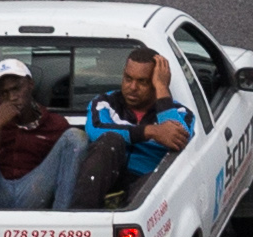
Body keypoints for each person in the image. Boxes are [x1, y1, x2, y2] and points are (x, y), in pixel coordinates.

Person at [73, 46, 199, 209]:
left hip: (146, 186)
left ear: (155, 82)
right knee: (110, 140)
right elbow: (95, 131)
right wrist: (150, 132)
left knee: (153, 183)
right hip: (103, 179)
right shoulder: (106, 102)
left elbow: (178, 138)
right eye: (128, 78)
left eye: (142, 82)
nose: (132, 87)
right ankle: (80, 219)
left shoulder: (181, 113)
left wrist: (162, 89)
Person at [0, 57, 81, 211]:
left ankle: (62, 217)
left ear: (30, 84)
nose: (12, 97)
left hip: (35, 190)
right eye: (4, 93)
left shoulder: (54, 123)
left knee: (75, 137)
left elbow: (60, 168)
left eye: (17, 88)